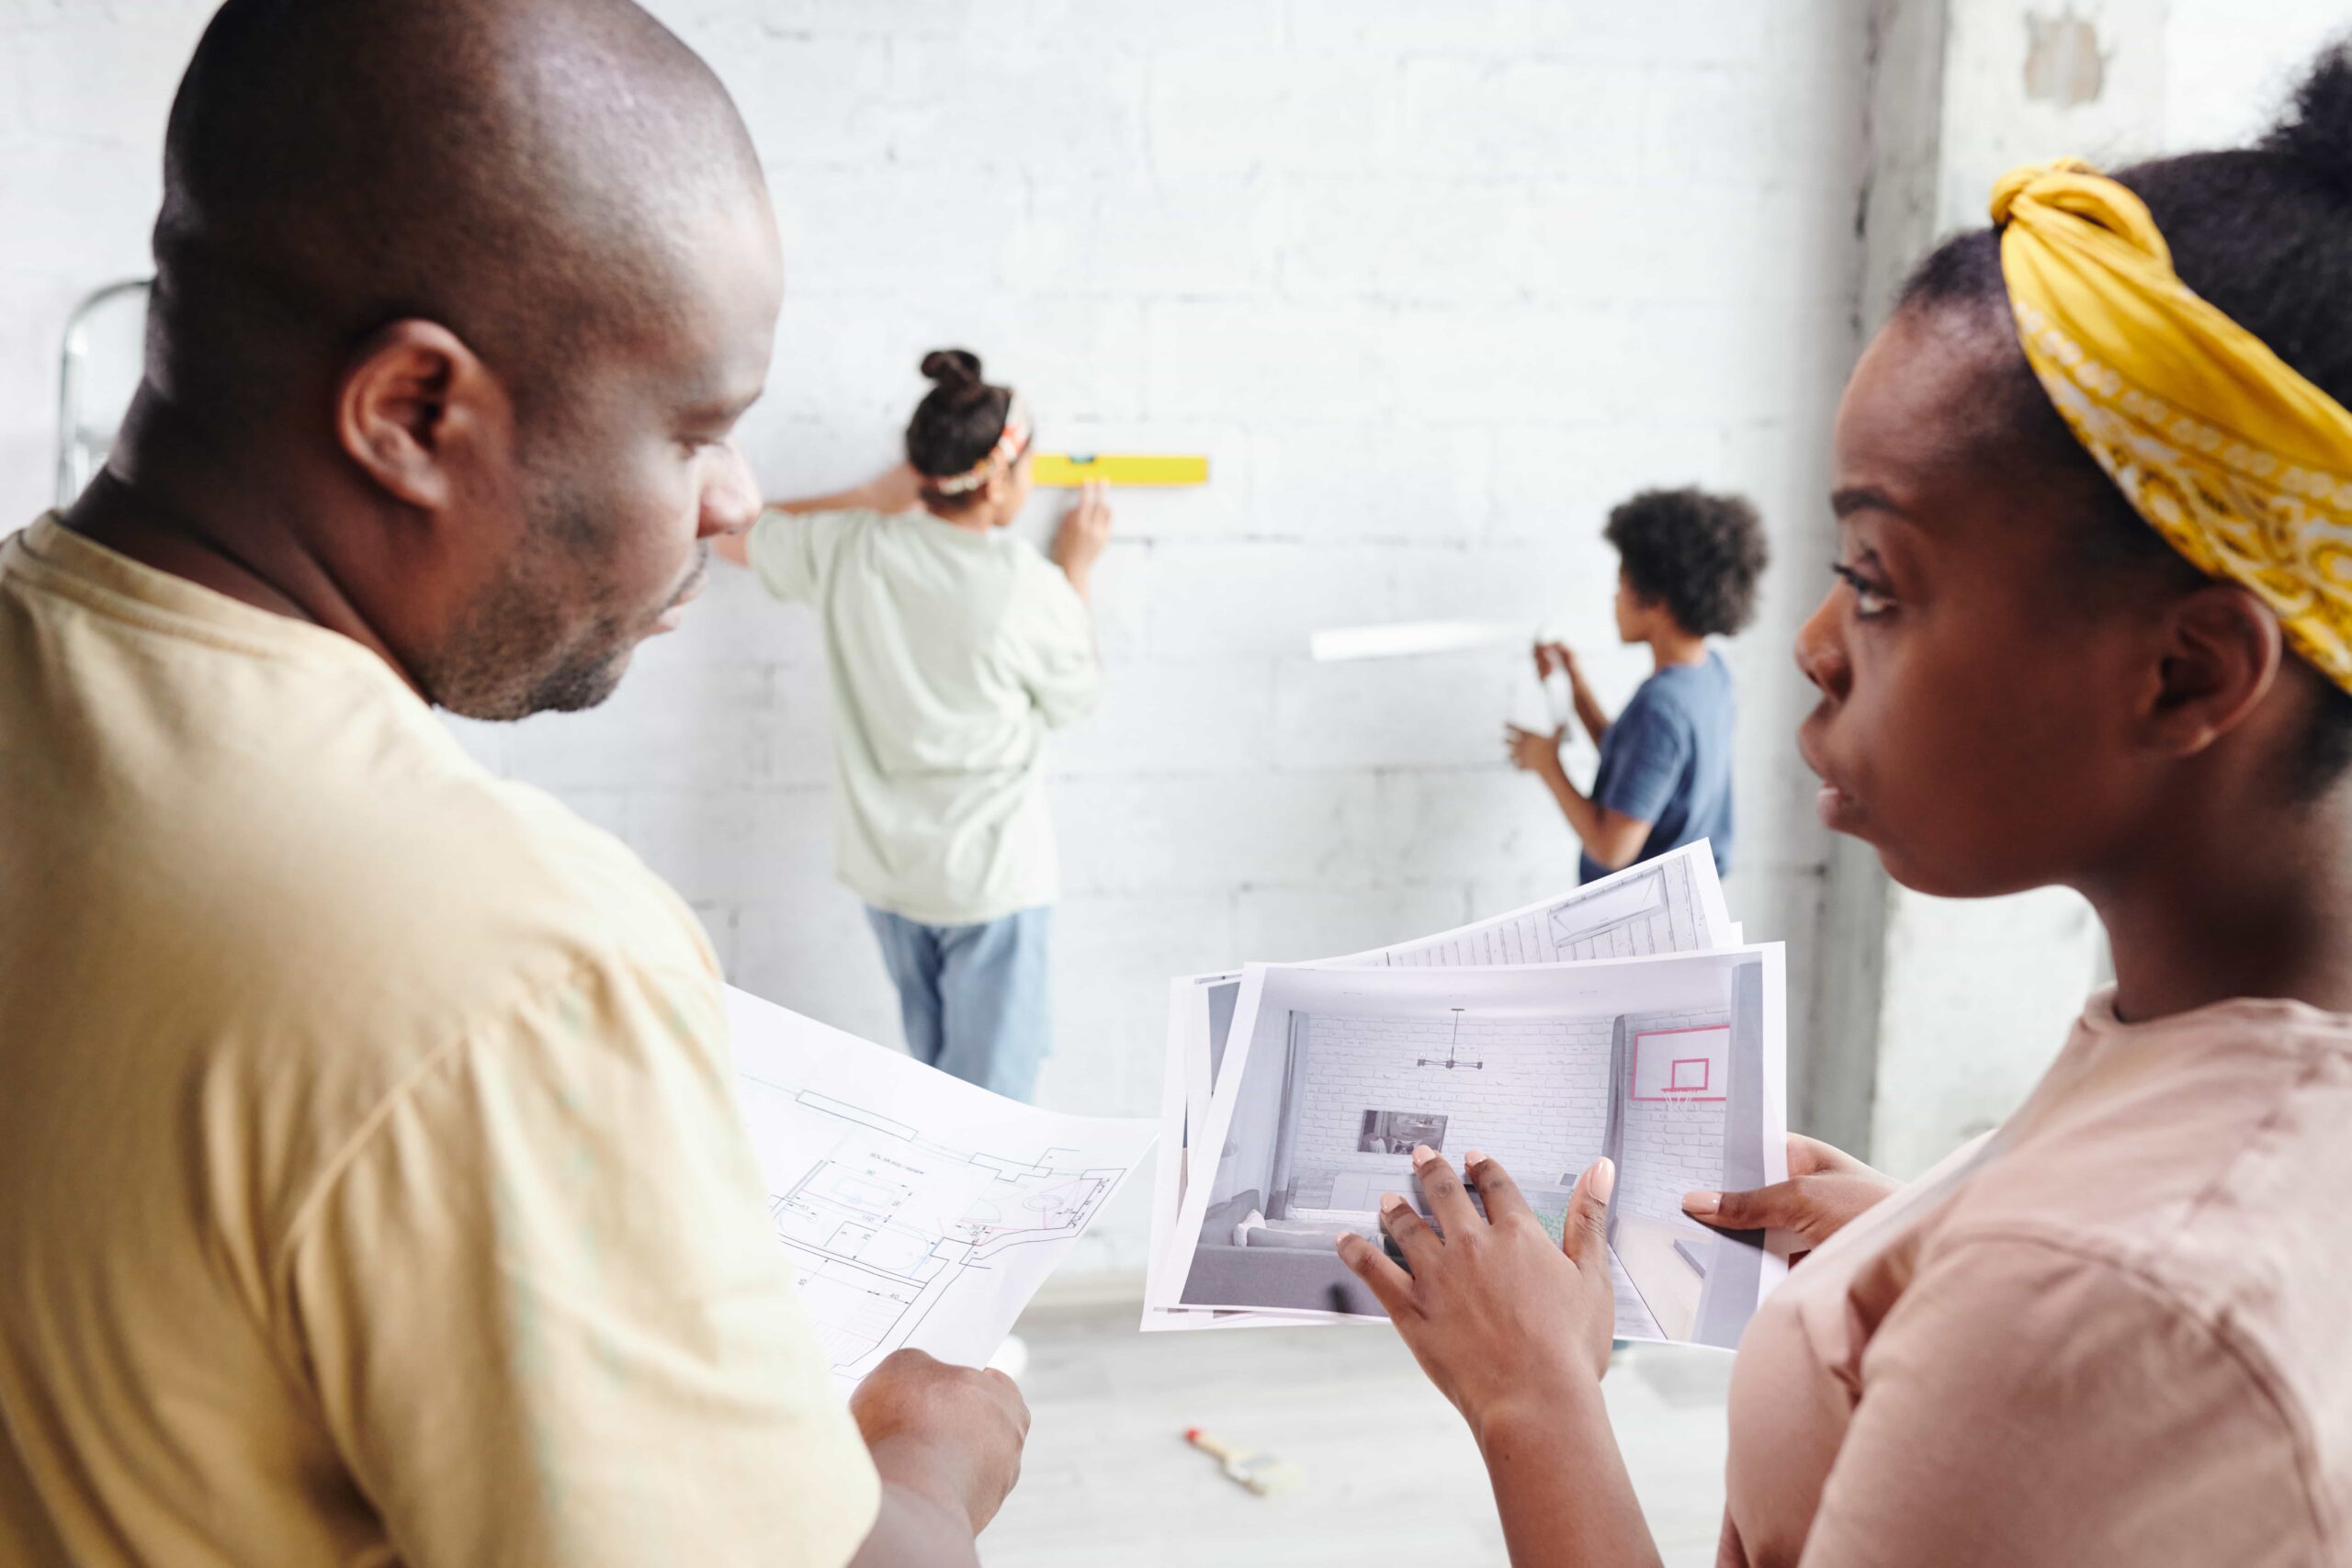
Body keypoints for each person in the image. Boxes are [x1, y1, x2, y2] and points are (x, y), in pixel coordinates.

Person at [0, 4, 1026, 1564]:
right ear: (413, 413)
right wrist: (930, 1476)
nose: (732, 499)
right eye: (694, 428)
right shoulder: (507, 960)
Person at [1343, 44, 2352, 1568]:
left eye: (1876, 581)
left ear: (2186, 670)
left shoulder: (2100, 1297)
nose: (1815, 647)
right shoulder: (2206, 1089)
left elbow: (2098, 1313)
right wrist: (1910, 1240)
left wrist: (1529, 1395)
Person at [715, 351, 1110, 1102]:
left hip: (890, 877)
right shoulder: (1027, 586)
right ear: (996, 483)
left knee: (935, 1093)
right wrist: (1079, 568)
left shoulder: (850, 547)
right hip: (990, 882)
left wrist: (874, 496)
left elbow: (733, 533)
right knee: (993, 1110)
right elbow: (1075, 696)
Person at [1505, 488, 1767, 882]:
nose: (1614, 598)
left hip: (1641, 927)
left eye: (1622, 584)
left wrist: (1548, 765)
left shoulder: (1660, 708)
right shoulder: (1710, 675)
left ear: (1657, 600)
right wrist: (1575, 686)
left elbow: (1612, 848)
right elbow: (1639, 767)